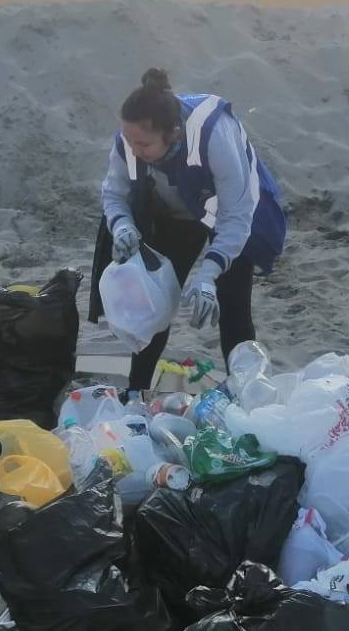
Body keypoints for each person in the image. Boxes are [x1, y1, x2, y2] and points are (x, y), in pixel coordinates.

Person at [89, 68, 287, 393]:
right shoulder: (132, 140)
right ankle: (135, 392)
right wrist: (122, 224)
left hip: (228, 210)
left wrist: (209, 273)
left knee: (233, 308)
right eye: (129, 141)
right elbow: (114, 192)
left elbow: (237, 216)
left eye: (144, 145)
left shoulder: (215, 135)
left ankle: (244, 393)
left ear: (174, 134)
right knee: (152, 304)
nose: (134, 151)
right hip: (173, 213)